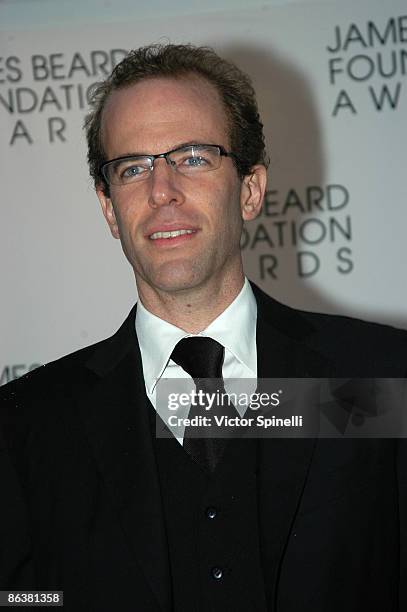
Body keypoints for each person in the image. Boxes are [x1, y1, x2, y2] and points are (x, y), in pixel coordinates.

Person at [0, 43, 406, 612]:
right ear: (110, 208)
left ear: (250, 189)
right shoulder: (24, 424)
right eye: (133, 167)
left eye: (192, 156)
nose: (161, 189)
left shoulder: (382, 376)